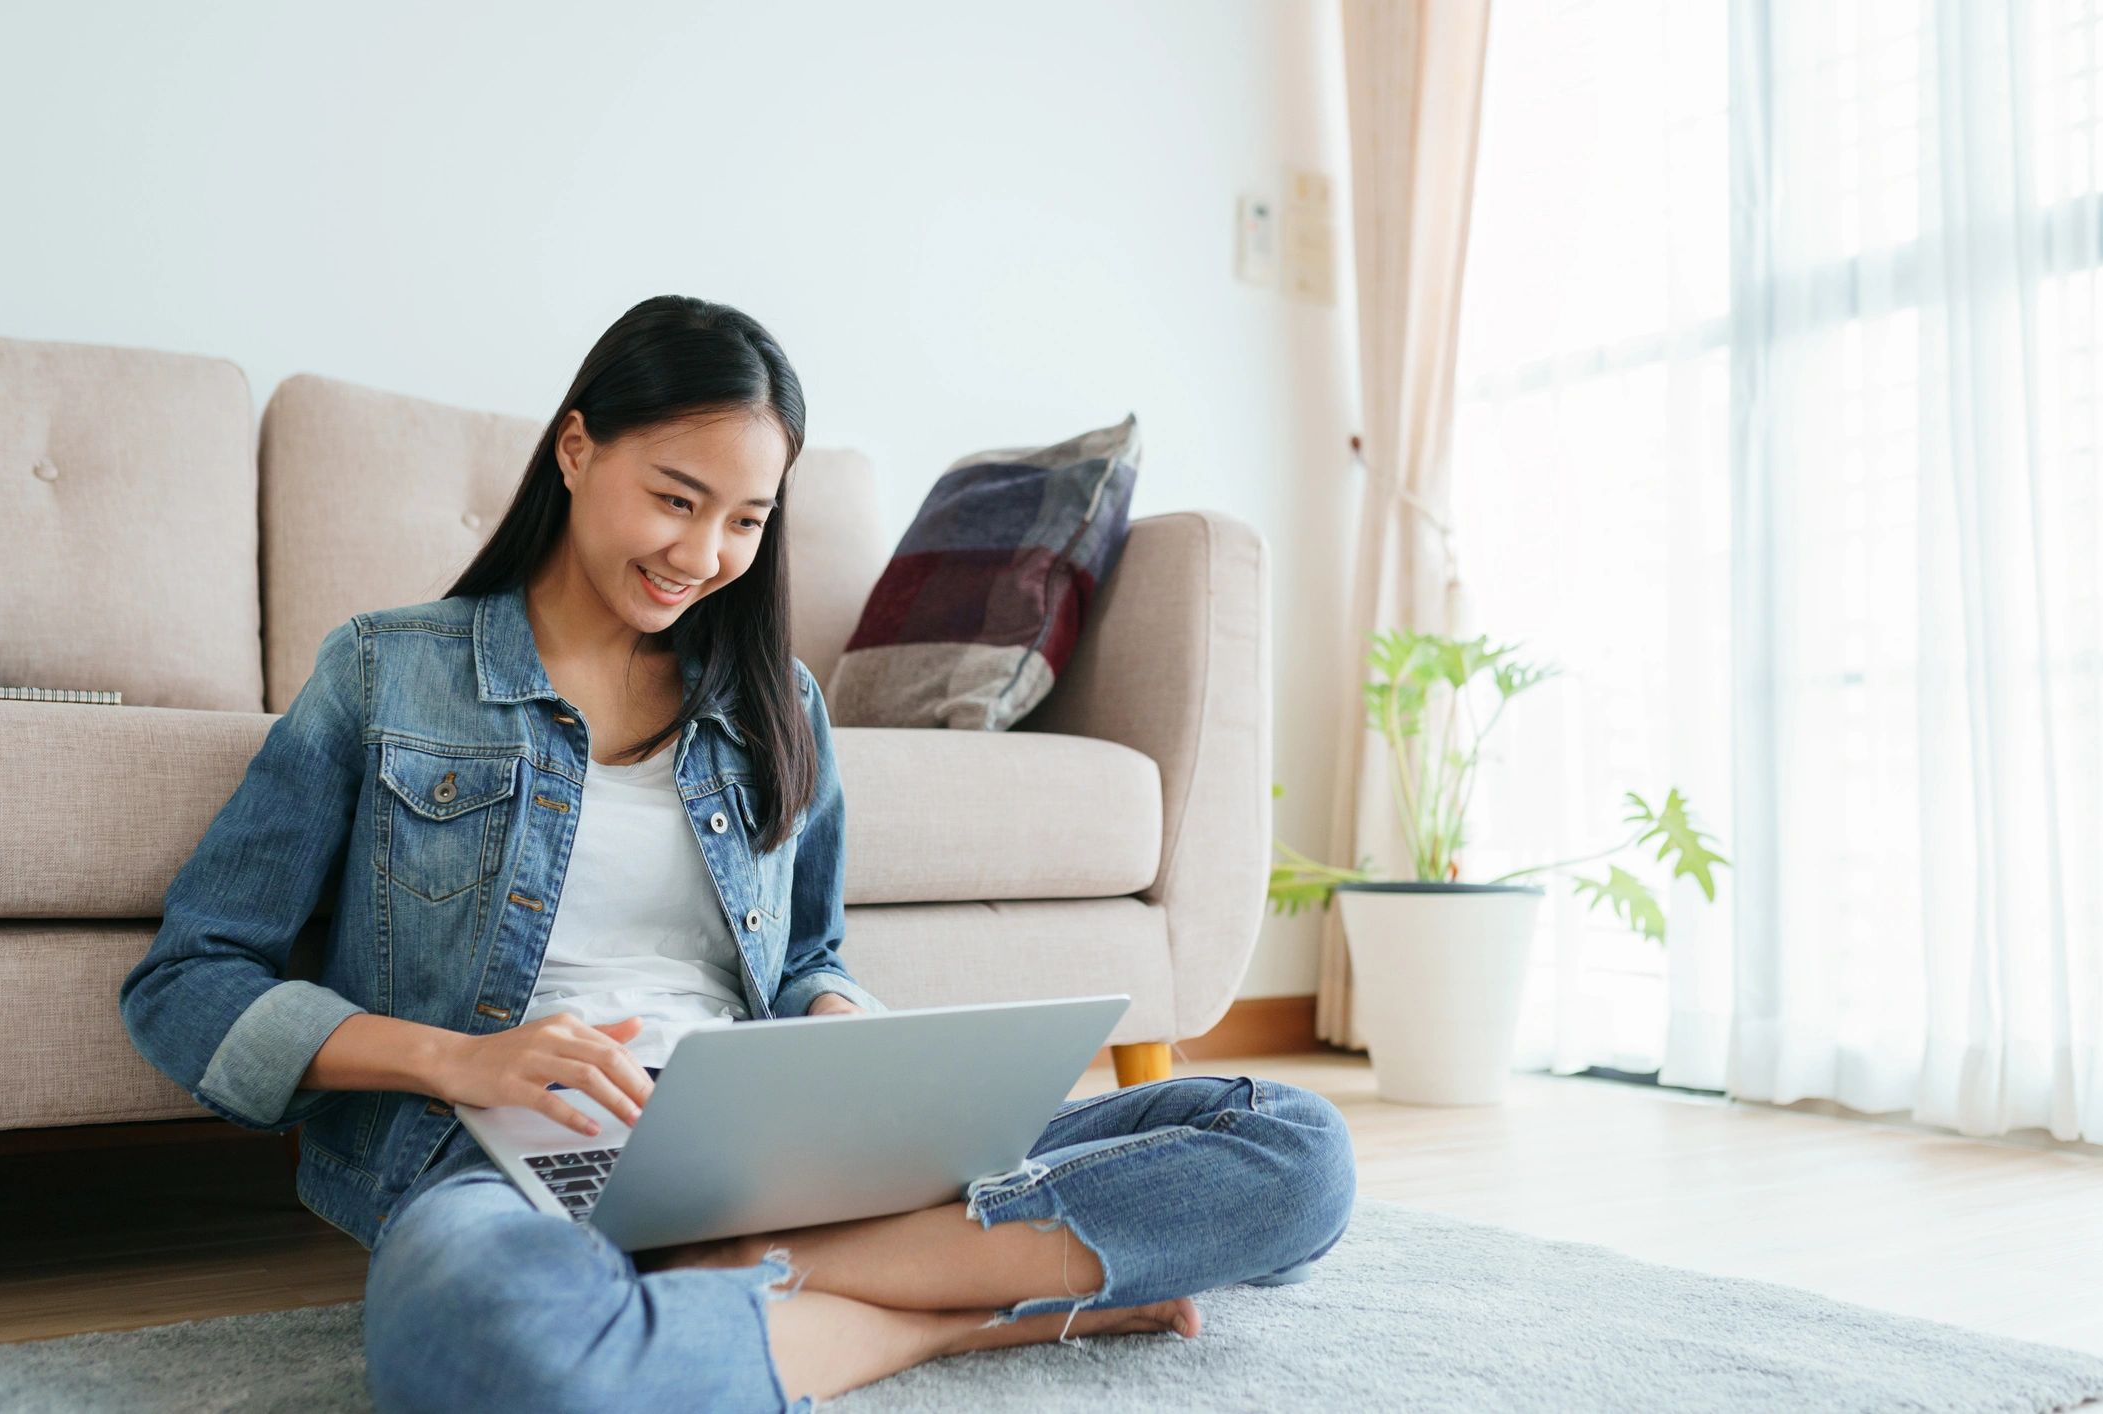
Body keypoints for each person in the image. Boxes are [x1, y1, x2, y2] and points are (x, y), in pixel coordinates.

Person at [118, 295, 1357, 1411]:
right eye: (676, 496)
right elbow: (192, 977)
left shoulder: (775, 704)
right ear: (576, 444)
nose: (704, 554)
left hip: (775, 1149)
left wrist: (838, 1023)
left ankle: (770, 1272)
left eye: (746, 518)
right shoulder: (388, 673)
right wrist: (463, 1062)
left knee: (1298, 1154)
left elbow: (808, 949)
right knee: (493, 1353)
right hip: (510, 1158)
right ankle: (956, 1315)